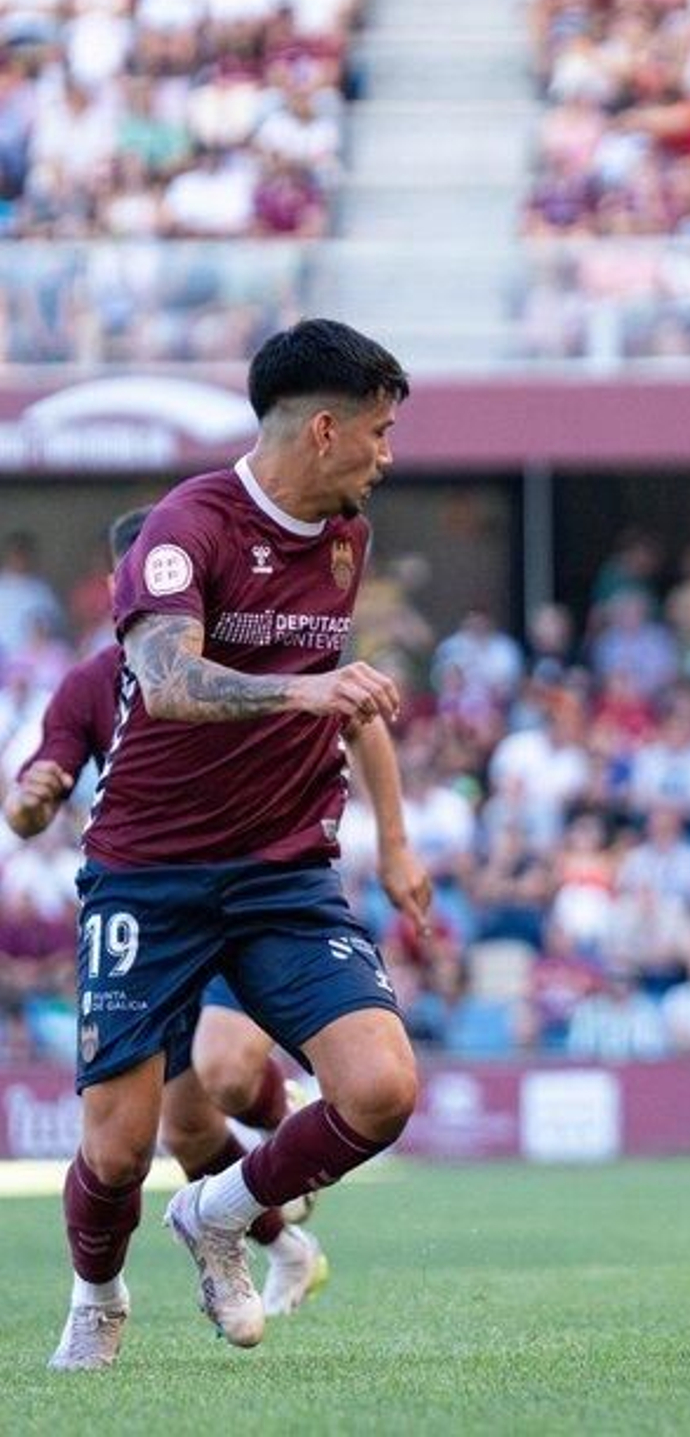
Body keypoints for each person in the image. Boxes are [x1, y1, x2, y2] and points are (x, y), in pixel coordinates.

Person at [47, 319, 430, 1372]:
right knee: (118, 1148)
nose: (387, 457)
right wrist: (307, 689)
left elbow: (348, 699)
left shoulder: (345, 534)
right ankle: (97, 1296)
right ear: (322, 430)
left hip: (283, 871)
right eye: (379, 433)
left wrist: (392, 838)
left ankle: (219, 1212)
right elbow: (168, 683)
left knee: (383, 1088)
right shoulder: (186, 528)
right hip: (149, 873)